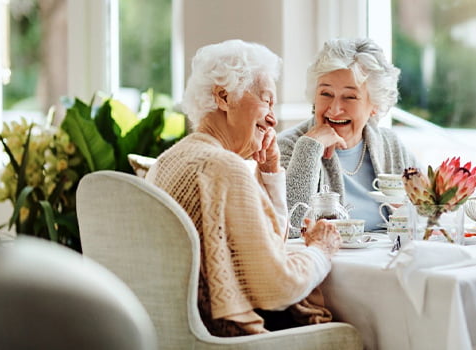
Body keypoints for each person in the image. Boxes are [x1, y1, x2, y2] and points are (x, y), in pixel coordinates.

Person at [146, 39, 341, 336]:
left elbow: (268, 245)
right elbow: (279, 287)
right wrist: (320, 250)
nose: (274, 118)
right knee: (349, 333)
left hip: (174, 334)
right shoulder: (224, 168)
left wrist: (270, 171)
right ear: (224, 98)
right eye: (267, 100)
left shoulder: (167, 162)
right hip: (225, 337)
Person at [277, 38, 418, 232]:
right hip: (324, 260)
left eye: (350, 97)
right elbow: (288, 227)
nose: (334, 109)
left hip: (387, 259)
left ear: (375, 105)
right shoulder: (288, 146)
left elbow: (426, 214)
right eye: (326, 94)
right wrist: (310, 147)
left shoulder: (390, 145)